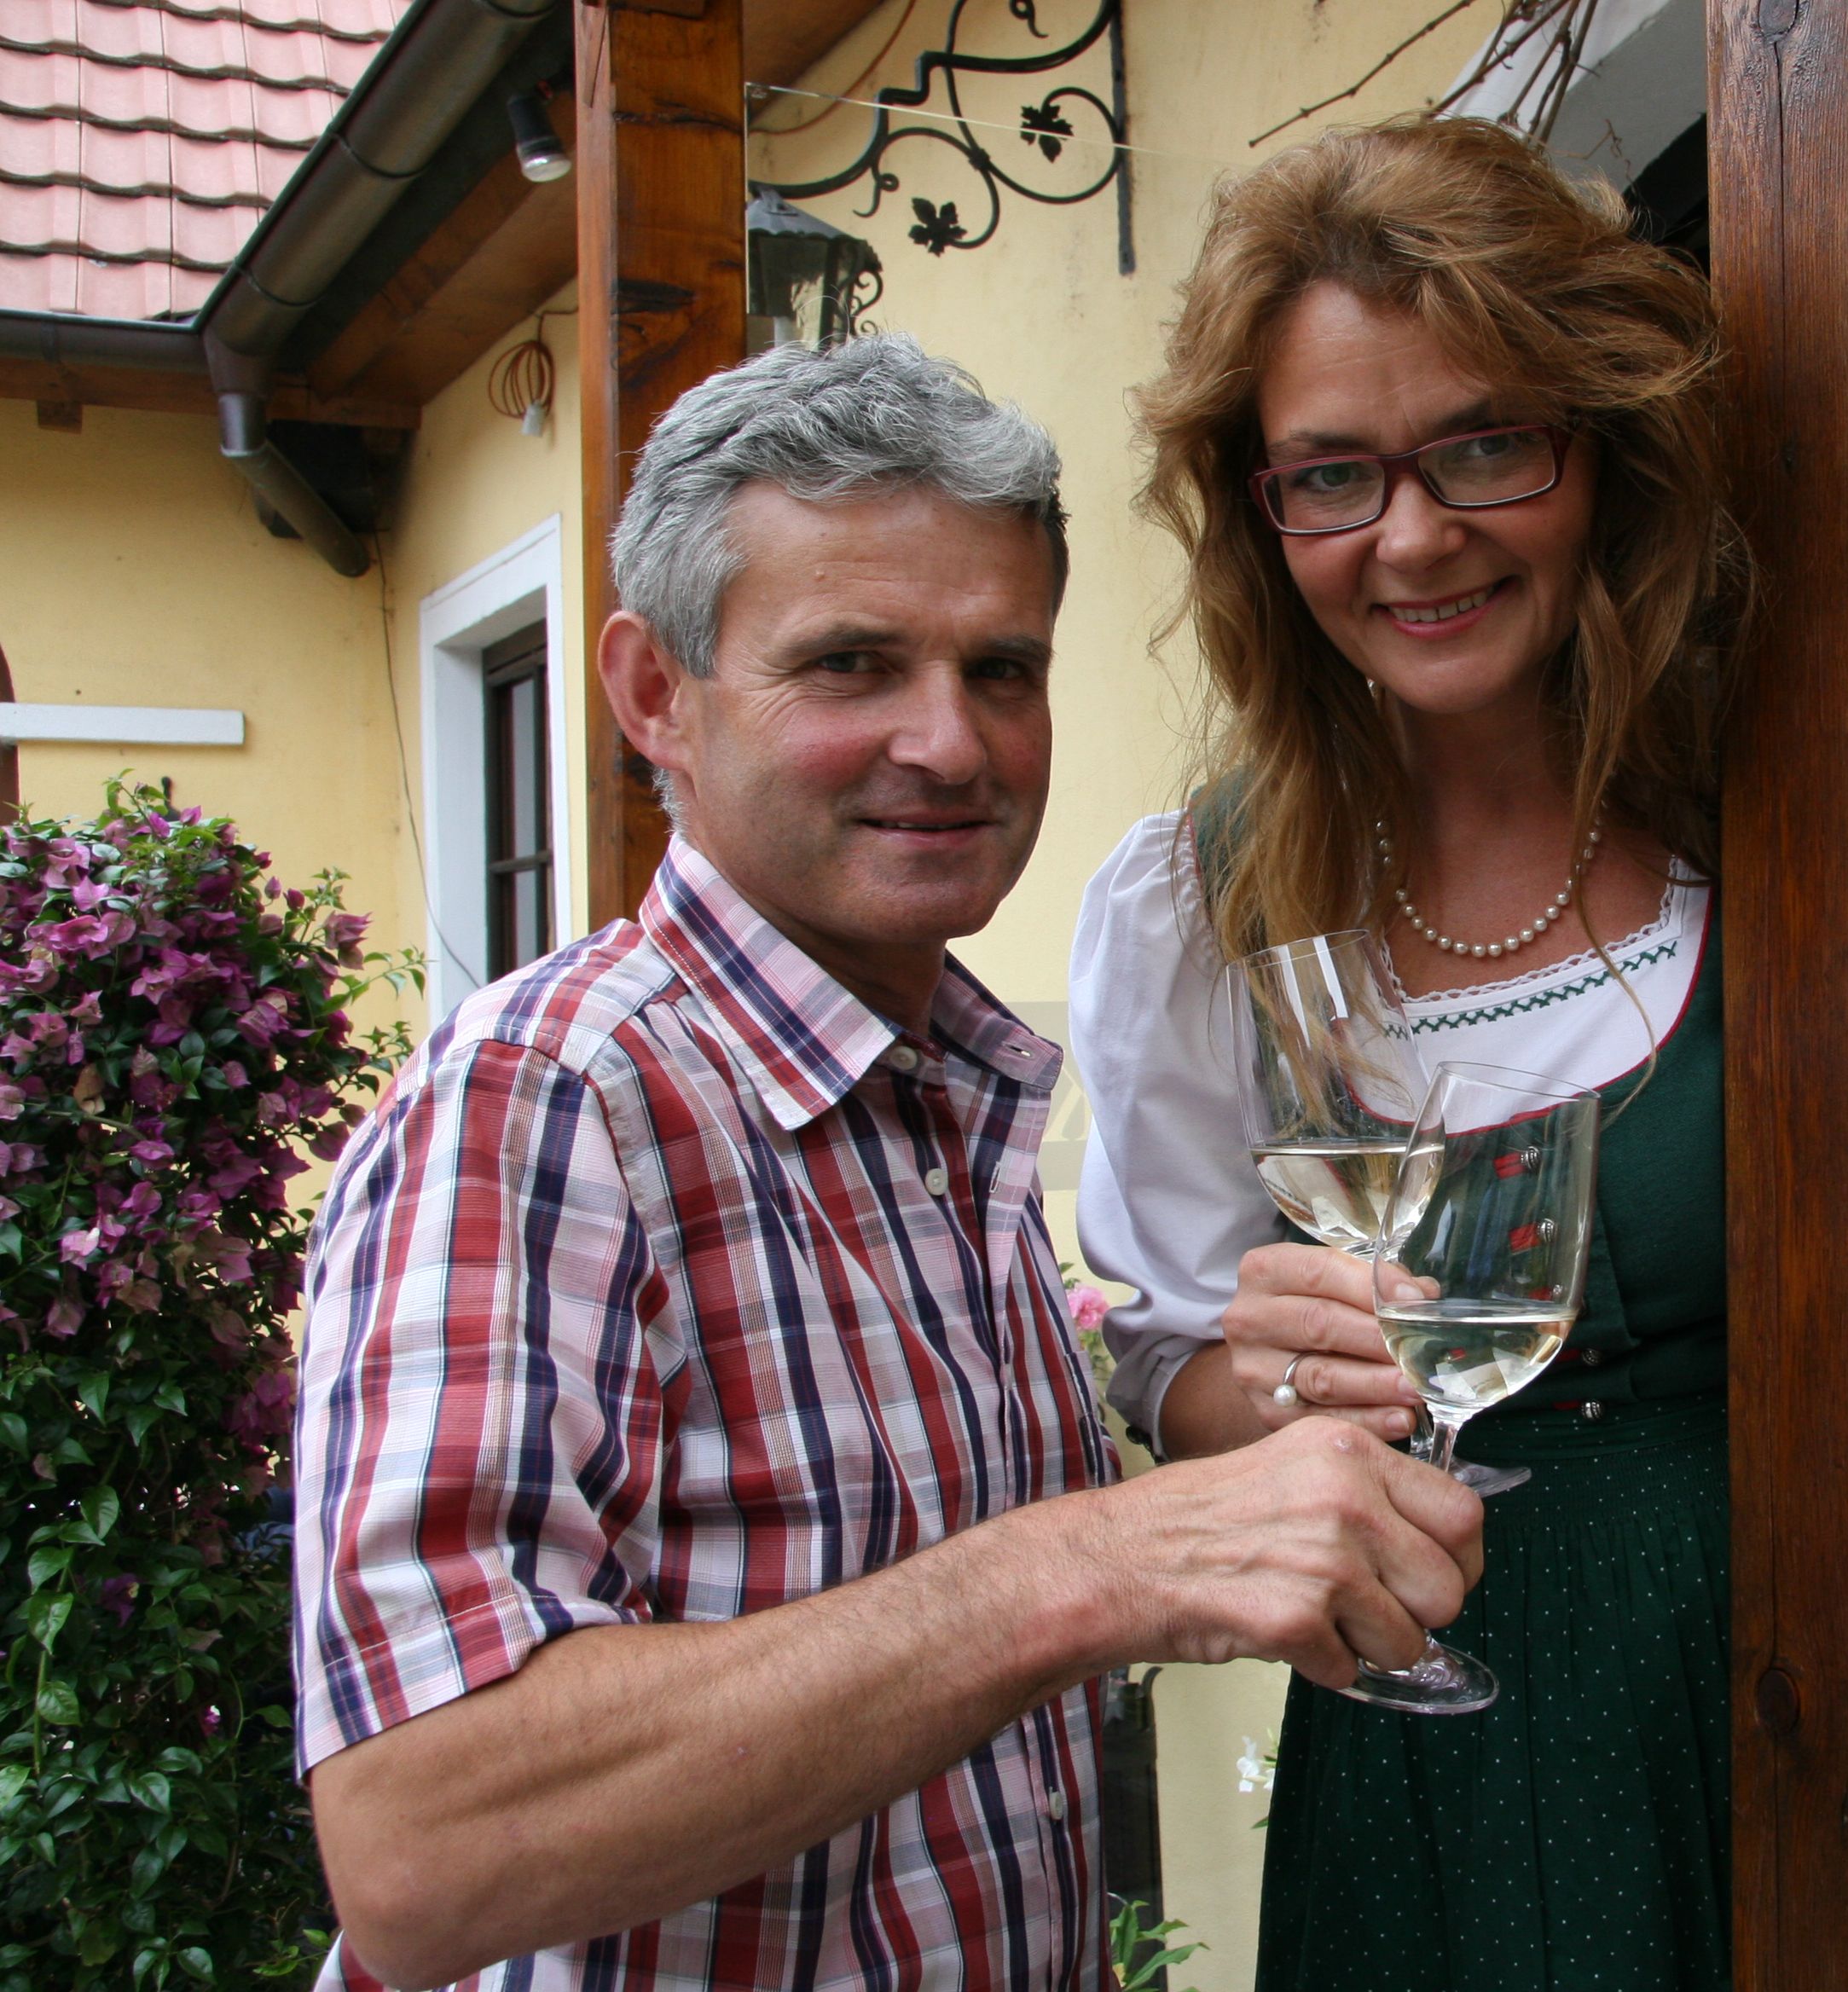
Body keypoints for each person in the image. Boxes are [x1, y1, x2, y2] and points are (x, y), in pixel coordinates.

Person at [289, 333, 1485, 1992]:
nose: (952, 742)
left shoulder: (935, 1098)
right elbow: (419, 1845)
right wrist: (1088, 1568)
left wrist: (1251, 1413)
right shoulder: (550, 1100)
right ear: (655, 694)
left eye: (1003, 668)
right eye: (851, 665)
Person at [1073, 117, 1747, 1990]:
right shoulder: (1194, 908)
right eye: (1332, 477)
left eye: (1482, 445)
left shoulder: (1785, 831)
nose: (1415, 535)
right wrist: (1279, 1387)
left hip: (1776, 1686)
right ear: (1261, 513)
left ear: (1598, 455)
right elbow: (1170, 1364)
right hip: (1421, 1723)